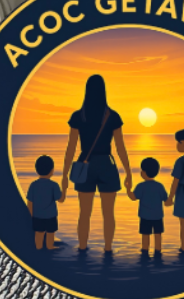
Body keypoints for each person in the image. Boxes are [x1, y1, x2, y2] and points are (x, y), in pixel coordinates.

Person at [61, 73, 131, 255]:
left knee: (84, 213)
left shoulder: (78, 116)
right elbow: (120, 148)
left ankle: (83, 248)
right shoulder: (112, 116)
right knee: (108, 213)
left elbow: (71, 148)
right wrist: (129, 173)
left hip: (85, 164)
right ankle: (108, 249)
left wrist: (64, 176)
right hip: (106, 165)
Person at [131, 157, 167, 258]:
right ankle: (158, 251)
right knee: (158, 234)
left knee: (145, 235)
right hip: (158, 216)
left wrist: (128, 189)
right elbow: (165, 198)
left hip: (145, 216)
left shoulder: (141, 186)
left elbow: (134, 197)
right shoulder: (160, 186)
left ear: (144, 172)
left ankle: (145, 251)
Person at [25, 154, 61, 250]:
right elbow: (60, 199)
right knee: (50, 233)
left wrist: (31, 215)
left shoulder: (33, 185)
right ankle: (50, 246)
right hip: (51, 215)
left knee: (38, 233)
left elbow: (30, 202)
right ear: (52, 170)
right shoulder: (54, 185)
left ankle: (38, 247)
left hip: (37, 216)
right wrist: (64, 190)